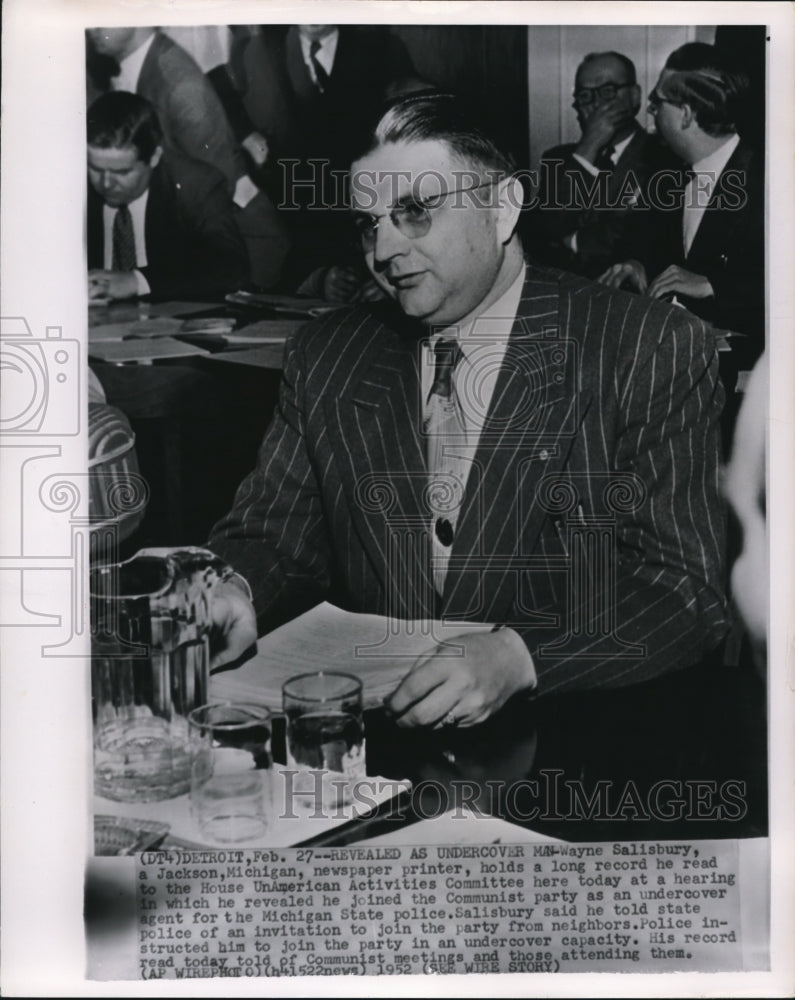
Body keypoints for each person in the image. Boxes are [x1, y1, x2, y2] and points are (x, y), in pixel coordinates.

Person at [207, 93, 729, 727]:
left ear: (503, 207)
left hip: (575, 744)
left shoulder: (644, 347)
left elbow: (683, 588)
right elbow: (273, 534)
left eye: (416, 212)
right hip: (384, 752)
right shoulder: (329, 352)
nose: (384, 250)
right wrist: (234, 588)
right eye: (369, 223)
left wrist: (519, 655)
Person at [86, 27, 290, 289]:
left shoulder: (179, 82)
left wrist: (139, 280)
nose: (92, 26)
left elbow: (216, 180)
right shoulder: (130, 65)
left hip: (245, 243)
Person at [599, 43, 764, 356]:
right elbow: (647, 243)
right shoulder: (669, 175)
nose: (650, 111)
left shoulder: (772, 181)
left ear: (686, 115)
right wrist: (637, 263)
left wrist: (715, 285)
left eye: (658, 102)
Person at [229, 24, 416, 292]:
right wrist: (317, 278)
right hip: (303, 248)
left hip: (371, 244)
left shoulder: (383, 49)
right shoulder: (263, 50)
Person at [86, 91, 248, 302]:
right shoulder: (67, 184)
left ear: (154, 157)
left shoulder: (195, 184)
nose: (106, 183)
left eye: (122, 172)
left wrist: (136, 281)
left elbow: (231, 267)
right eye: (95, 168)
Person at [527, 51, 675, 278]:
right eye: (586, 95)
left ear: (635, 97)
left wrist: (573, 240)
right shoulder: (559, 159)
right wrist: (588, 148)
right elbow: (541, 234)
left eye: (608, 92)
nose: (597, 104)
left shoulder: (665, 157)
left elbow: (645, 243)